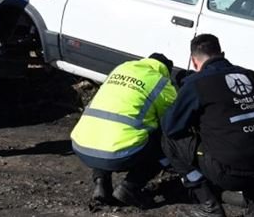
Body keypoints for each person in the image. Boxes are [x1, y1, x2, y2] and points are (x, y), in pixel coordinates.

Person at [163, 34, 254, 217]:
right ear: (223, 53)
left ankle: (209, 204)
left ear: (194, 62)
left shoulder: (196, 84)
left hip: (231, 173)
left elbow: (171, 126)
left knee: (169, 141)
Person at [71, 53, 177, 208]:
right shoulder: (160, 82)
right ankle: (130, 188)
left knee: (106, 130)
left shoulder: (120, 69)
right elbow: (171, 120)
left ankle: (102, 183)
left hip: (82, 145)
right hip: (117, 154)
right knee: (166, 143)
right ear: (165, 70)